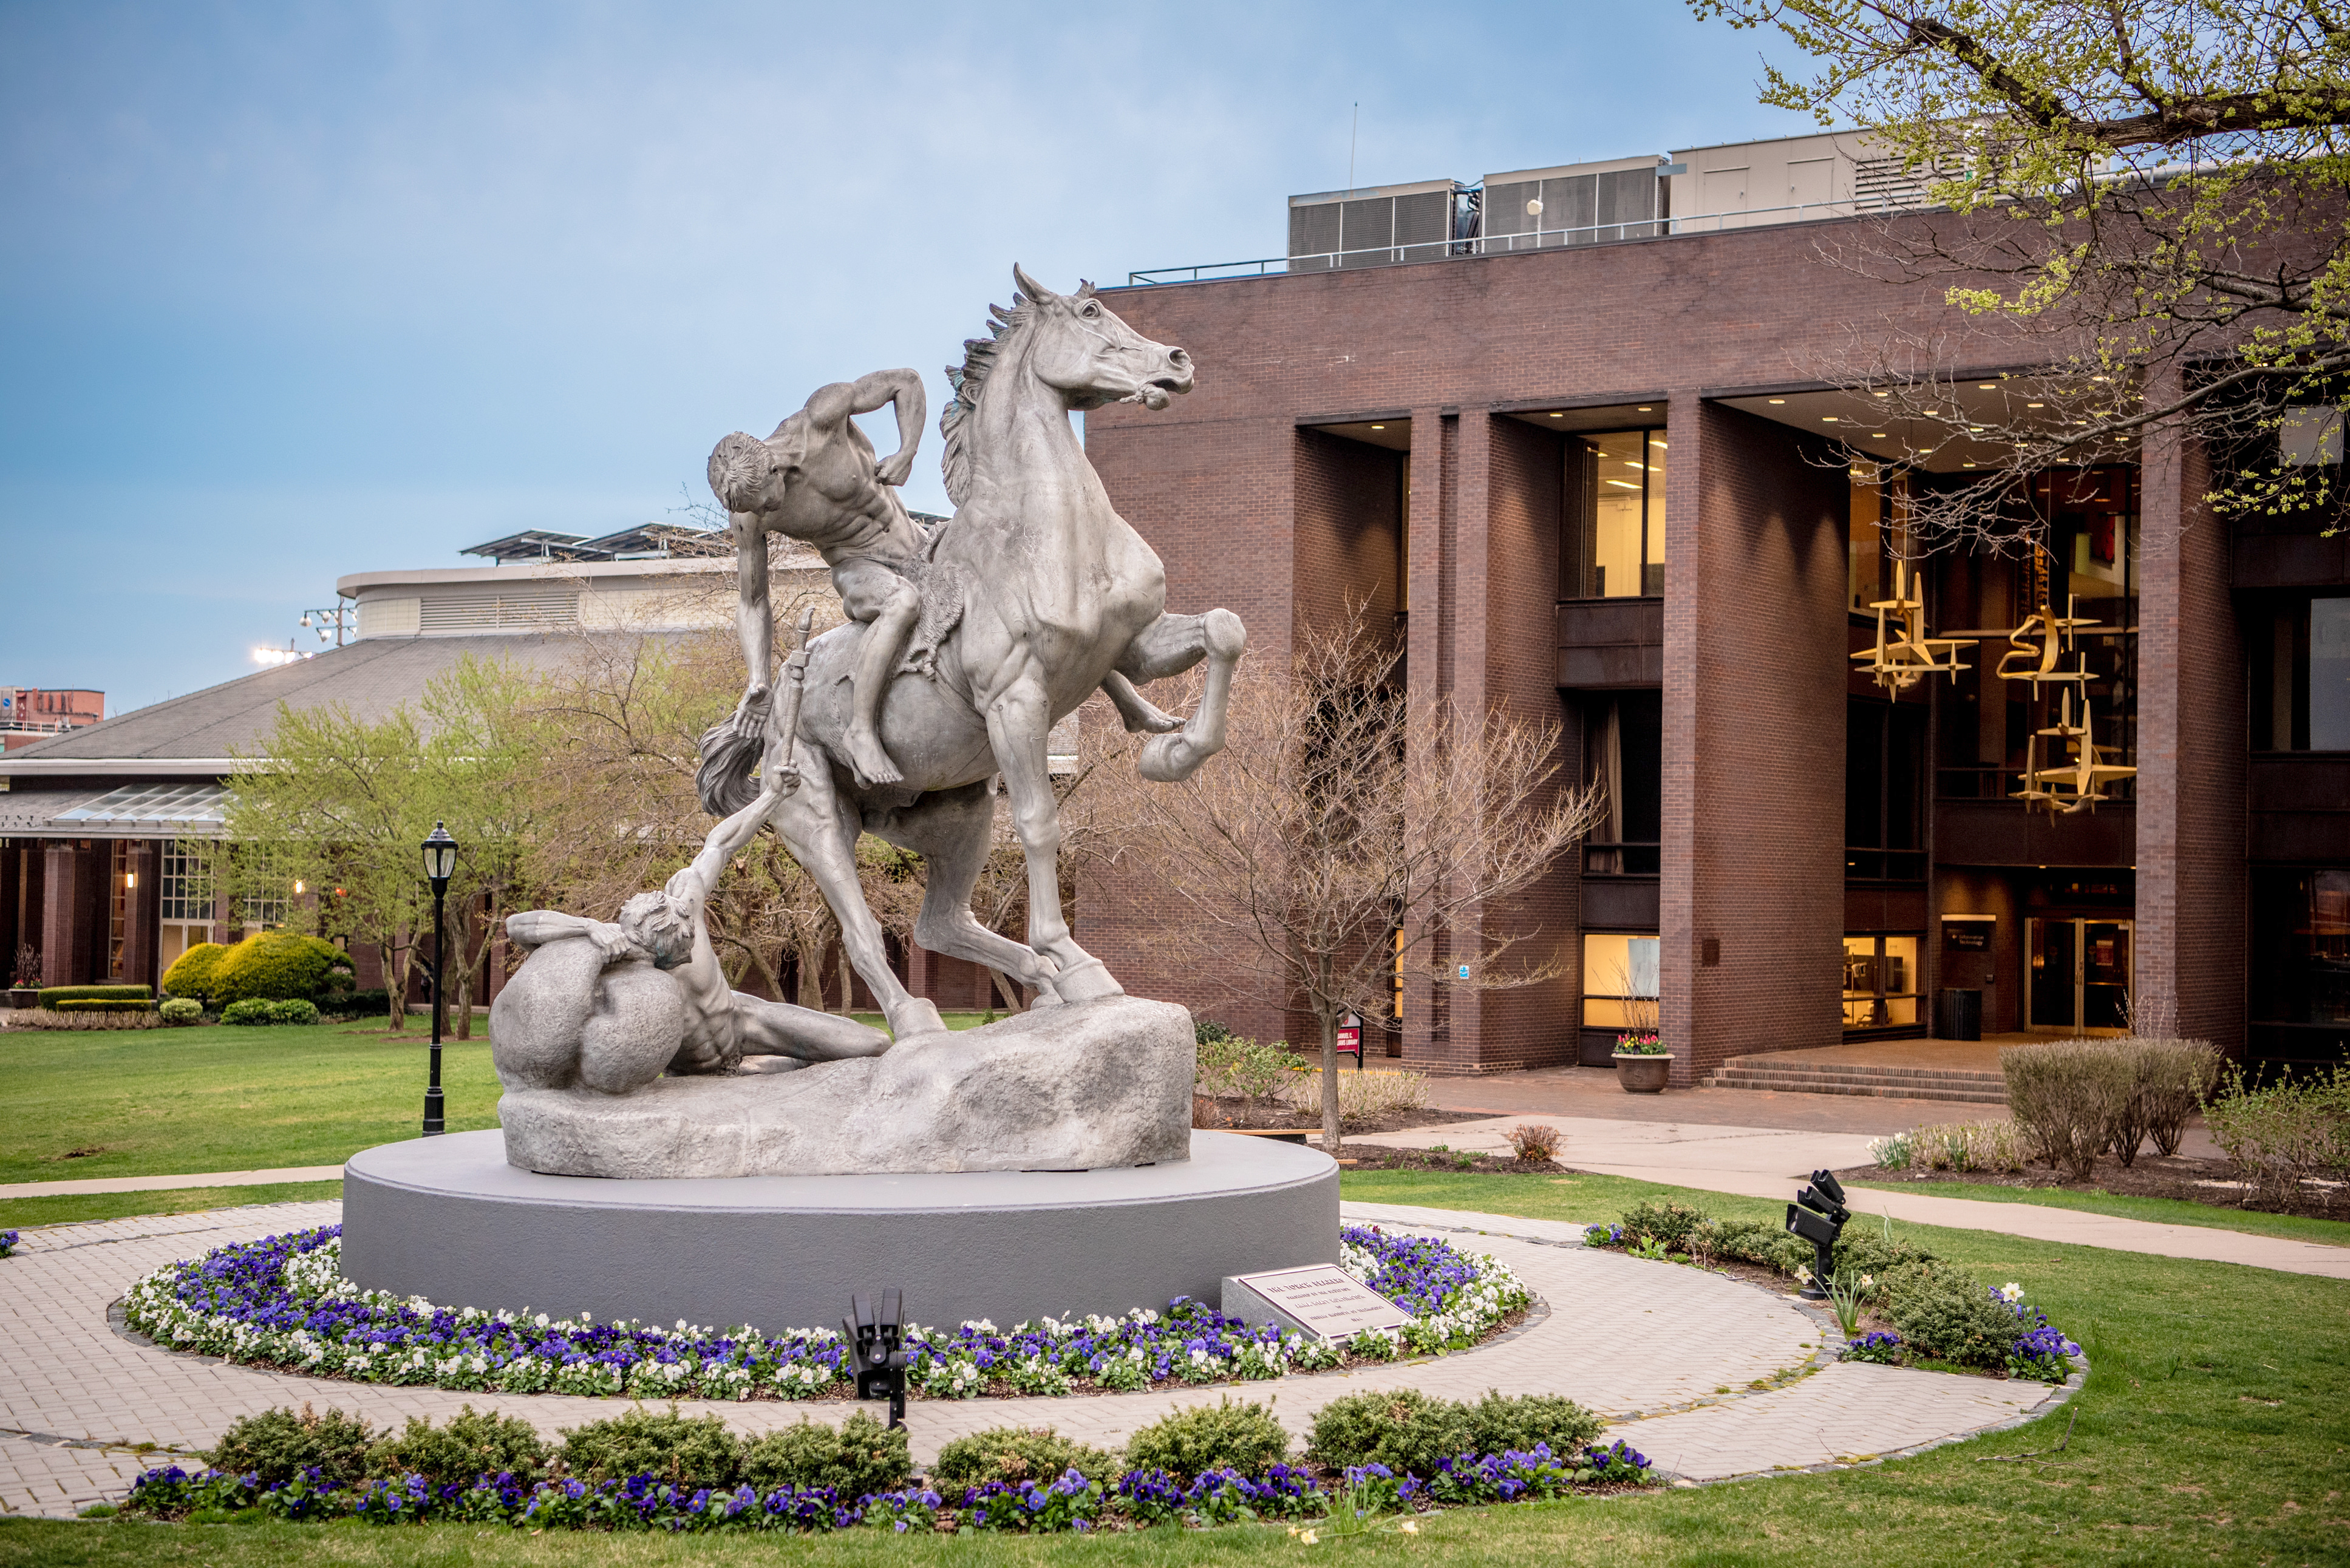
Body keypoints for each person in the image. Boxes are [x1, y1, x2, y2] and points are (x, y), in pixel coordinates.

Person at [503, 775, 891, 1079]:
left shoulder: (685, 901)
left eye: (692, 936)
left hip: (745, 1023)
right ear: (656, 955)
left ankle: (779, 1065)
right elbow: (518, 925)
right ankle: (764, 1072)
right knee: (780, 1075)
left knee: (871, 1043)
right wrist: (587, 927)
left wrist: (773, 797)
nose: (693, 947)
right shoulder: (620, 955)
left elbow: (721, 843)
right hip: (692, 1069)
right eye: (682, 952)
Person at [707, 370, 929, 789]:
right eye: (754, 509)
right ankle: (860, 730)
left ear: (775, 466)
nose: (765, 510)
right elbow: (753, 600)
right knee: (902, 603)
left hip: (916, 541)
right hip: (858, 566)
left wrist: (907, 451)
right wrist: (757, 679)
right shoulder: (748, 518)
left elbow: (907, 383)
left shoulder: (822, 418)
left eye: (765, 499)